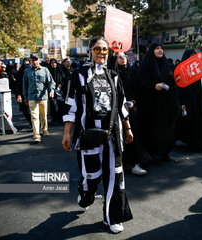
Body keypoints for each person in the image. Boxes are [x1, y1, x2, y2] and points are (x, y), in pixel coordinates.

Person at [62, 36, 133, 234]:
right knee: (91, 177)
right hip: (89, 134)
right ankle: (86, 195)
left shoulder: (114, 75)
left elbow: (121, 104)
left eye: (105, 50)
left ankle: (112, 217)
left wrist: (127, 128)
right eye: (97, 49)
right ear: (90, 51)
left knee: (115, 175)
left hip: (112, 134)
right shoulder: (79, 75)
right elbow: (71, 104)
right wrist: (67, 133)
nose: (101, 53)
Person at [136, 42, 179, 162]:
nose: (160, 51)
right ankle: (152, 154)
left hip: (165, 104)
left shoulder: (166, 65)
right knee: (152, 129)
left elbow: (172, 82)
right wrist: (154, 86)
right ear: (152, 51)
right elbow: (140, 84)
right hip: (151, 105)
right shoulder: (146, 66)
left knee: (166, 129)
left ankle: (165, 153)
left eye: (161, 48)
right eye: (157, 49)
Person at [108, 52, 148, 175]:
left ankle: (134, 163)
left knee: (132, 135)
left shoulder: (131, 73)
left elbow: (137, 90)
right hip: (114, 111)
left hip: (129, 111)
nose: (123, 59)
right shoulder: (112, 74)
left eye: (124, 56)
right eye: (119, 57)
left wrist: (133, 101)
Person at [175, 49, 202, 150]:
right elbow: (179, 87)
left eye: (194, 56)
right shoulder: (181, 70)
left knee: (198, 120)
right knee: (188, 120)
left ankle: (198, 142)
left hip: (197, 100)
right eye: (190, 56)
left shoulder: (197, 69)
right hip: (187, 100)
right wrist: (181, 102)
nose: (192, 58)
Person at [23, 53, 55, 143]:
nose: (34, 62)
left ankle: (44, 129)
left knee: (43, 115)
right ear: (30, 61)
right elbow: (24, 85)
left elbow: (50, 82)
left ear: (39, 60)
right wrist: (25, 97)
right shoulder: (27, 71)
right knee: (34, 117)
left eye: (36, 60)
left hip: (43, 97)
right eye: (32, 60)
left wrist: (51, 91)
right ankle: (36, 135)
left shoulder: (45, 70)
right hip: (32, 97)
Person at [48, 58, 67, 125]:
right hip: (51, 91)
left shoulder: (60, 70)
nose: (53, 64)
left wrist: (61, 84)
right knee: (53, 105)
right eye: (52, 63)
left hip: (60, 90)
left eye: (55, 62)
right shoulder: (48, 71)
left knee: (60, 105)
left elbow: (65, 79)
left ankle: (60, 118)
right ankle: (54, 119)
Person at [15, 58, 32, 128]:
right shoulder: (21, 72)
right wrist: (18, 94)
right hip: (23, 92)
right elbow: (18, 83)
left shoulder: (31, 70)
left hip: (31, 92)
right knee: (26, 109)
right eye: (25, 61)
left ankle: (33, 123)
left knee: (30, 109)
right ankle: (31, 122)